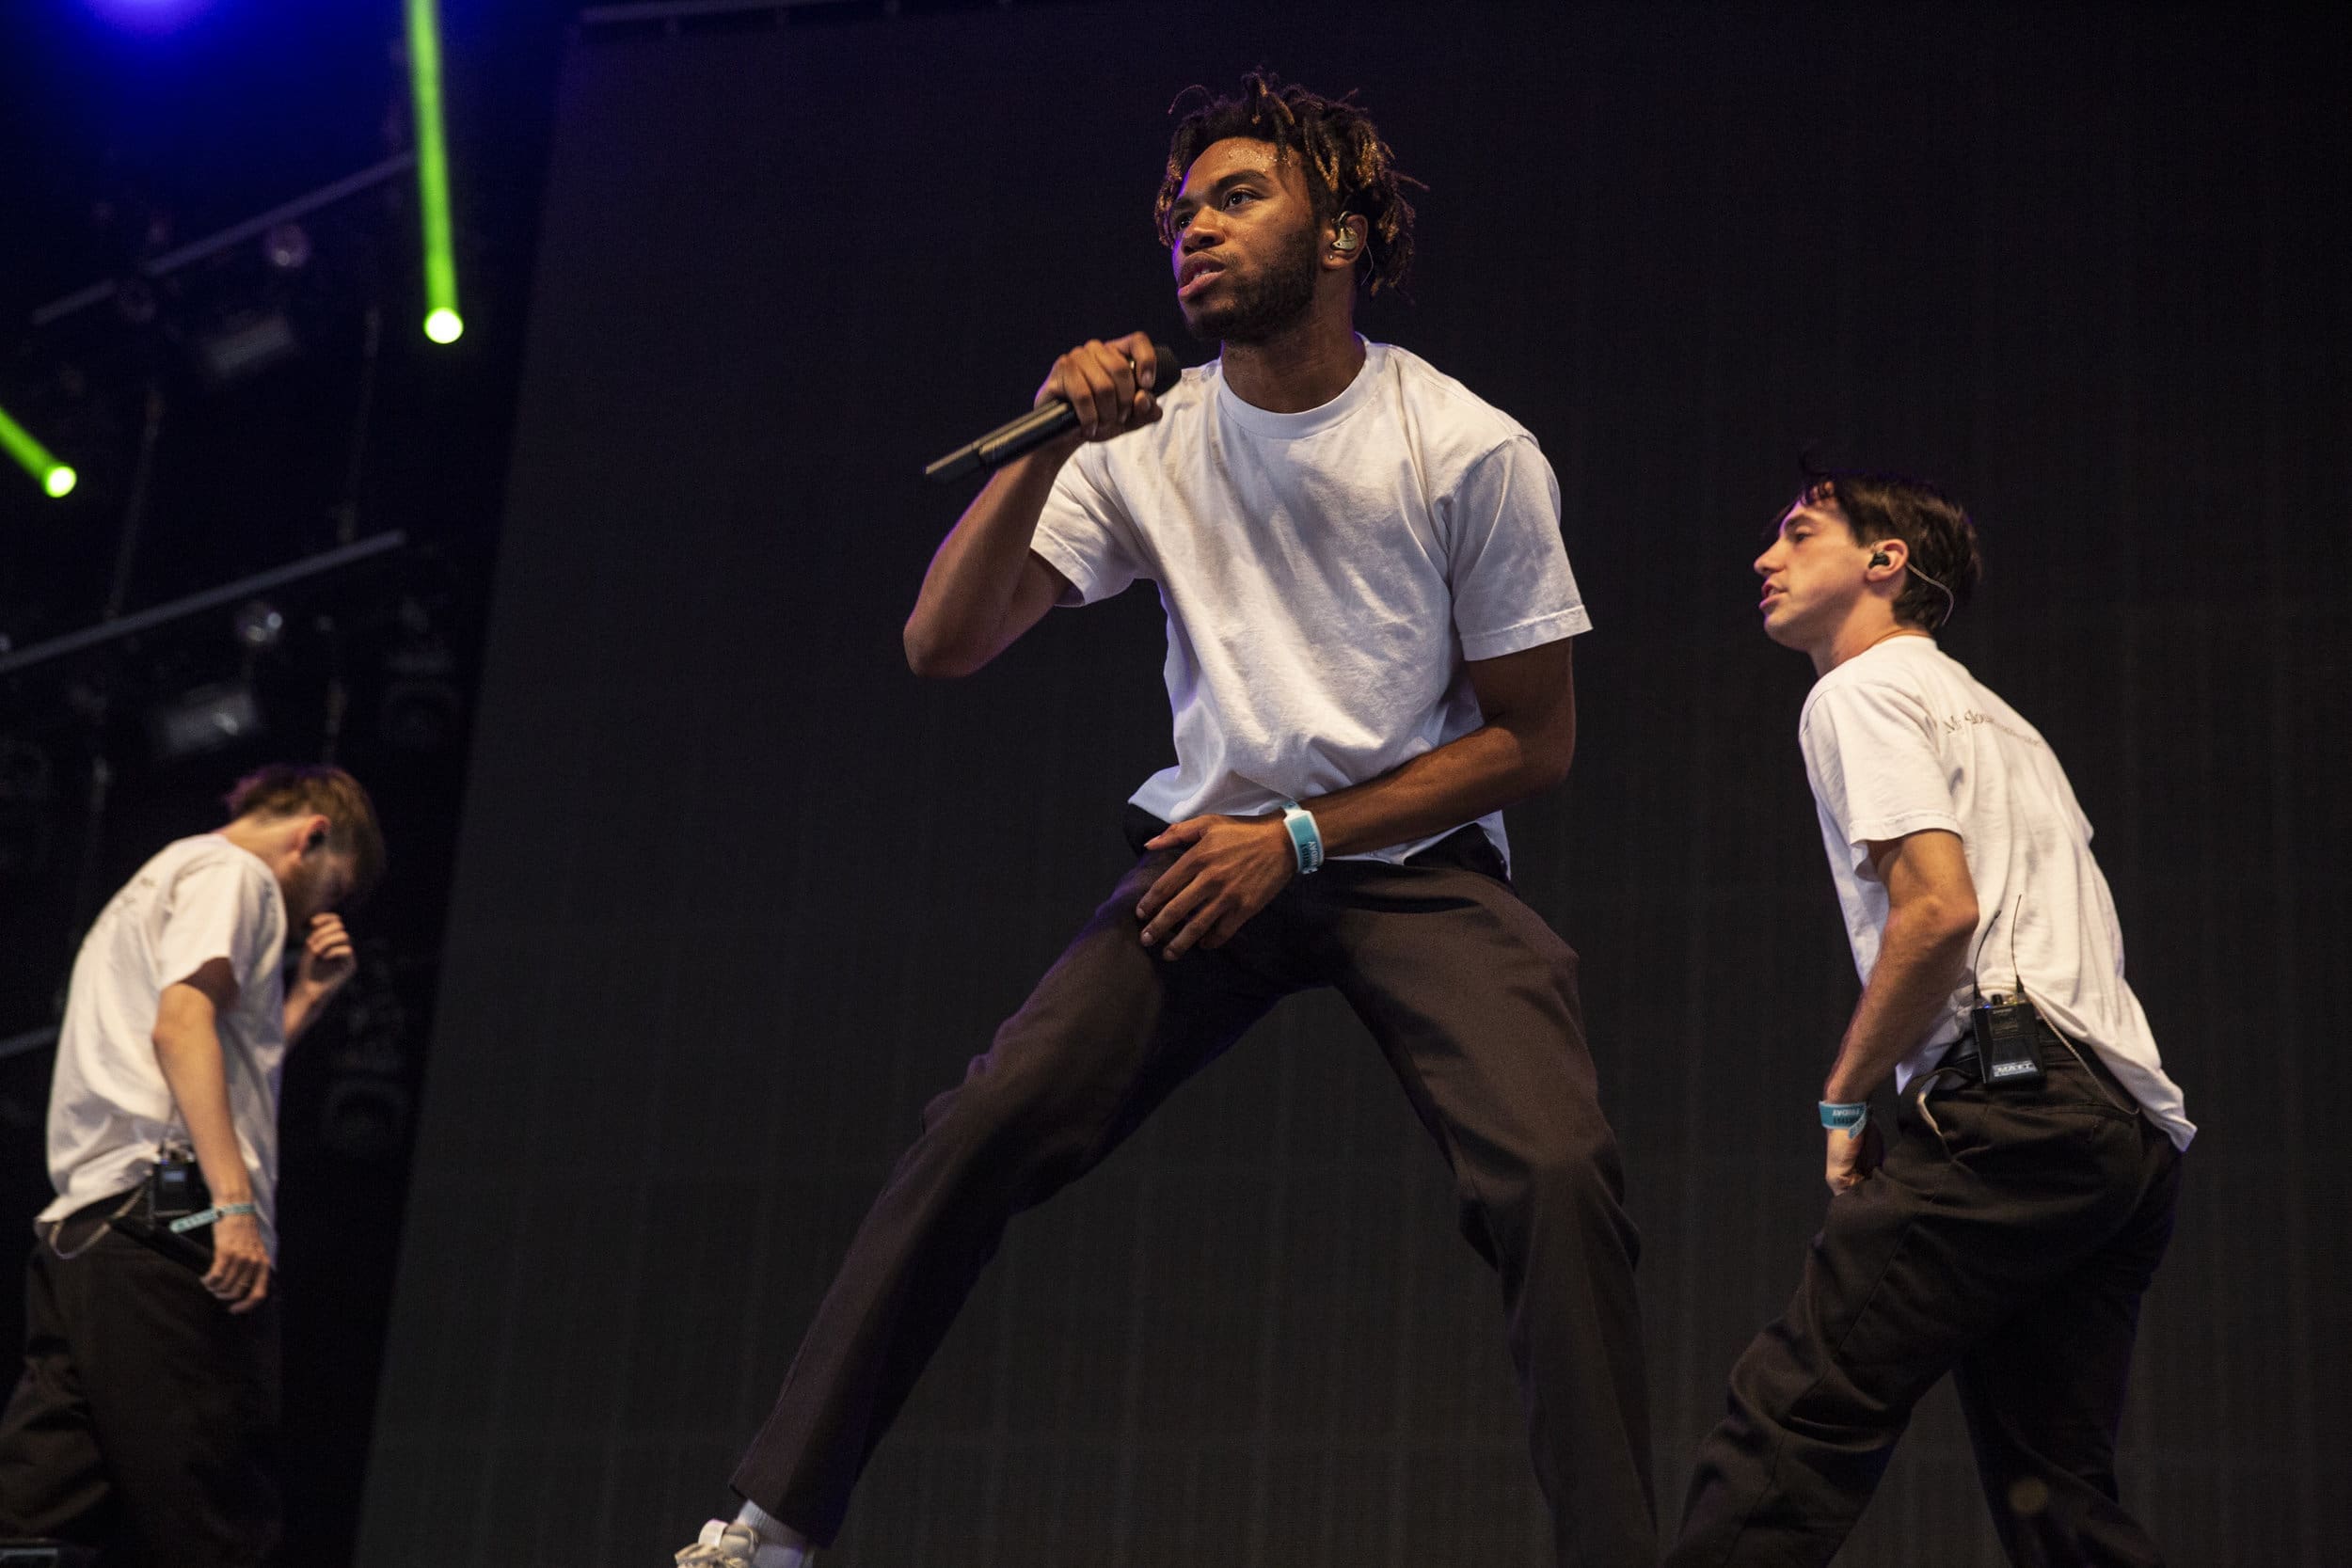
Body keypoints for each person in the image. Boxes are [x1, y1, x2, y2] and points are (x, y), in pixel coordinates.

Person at [675, 72, 1655, 1568]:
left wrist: (1310, 837)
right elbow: (945, 644)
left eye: (1236, 196)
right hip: (1211, 858)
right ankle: (776, 1519)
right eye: (1176, 209)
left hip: (1406, 856)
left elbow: (1535, 741)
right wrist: (1049, 442)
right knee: (986, 1123)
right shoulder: (1149, 440)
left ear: (1342, 233)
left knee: (1558, 1167)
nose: (1192, 228)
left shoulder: (1463, 446)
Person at [1666, 474, 2192, 1566]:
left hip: (2014, 1103)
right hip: (2128, 1138)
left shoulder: (1857, 692)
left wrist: (1847, 1091)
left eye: (1798, 533)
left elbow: (1938, 908)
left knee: (1797, 1405)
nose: (1764, 559)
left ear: (1885, 561)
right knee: (2061, 1502)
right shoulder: (2006, 723)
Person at [0, 764, 384, 1567]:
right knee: (217, 1500)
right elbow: (181, 1028)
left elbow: (204, 1050)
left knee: (43, 1508)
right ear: (311, 835)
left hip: (89, 1222)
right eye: (331, 887)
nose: (318, 913)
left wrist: (302, 1001)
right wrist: (231, 1205)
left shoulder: (151, 885)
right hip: (175, 1210)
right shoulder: (235, 873)